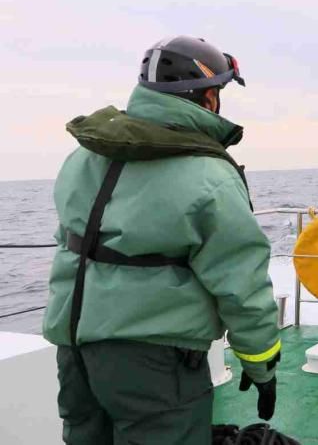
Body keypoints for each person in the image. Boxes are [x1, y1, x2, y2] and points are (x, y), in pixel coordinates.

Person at [43, 36, 281, 444]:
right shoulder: (210, 177)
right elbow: (241, 283)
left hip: (76, 352)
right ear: (207, 97)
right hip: (155, 363)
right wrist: (261, 367)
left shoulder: (82, 157)